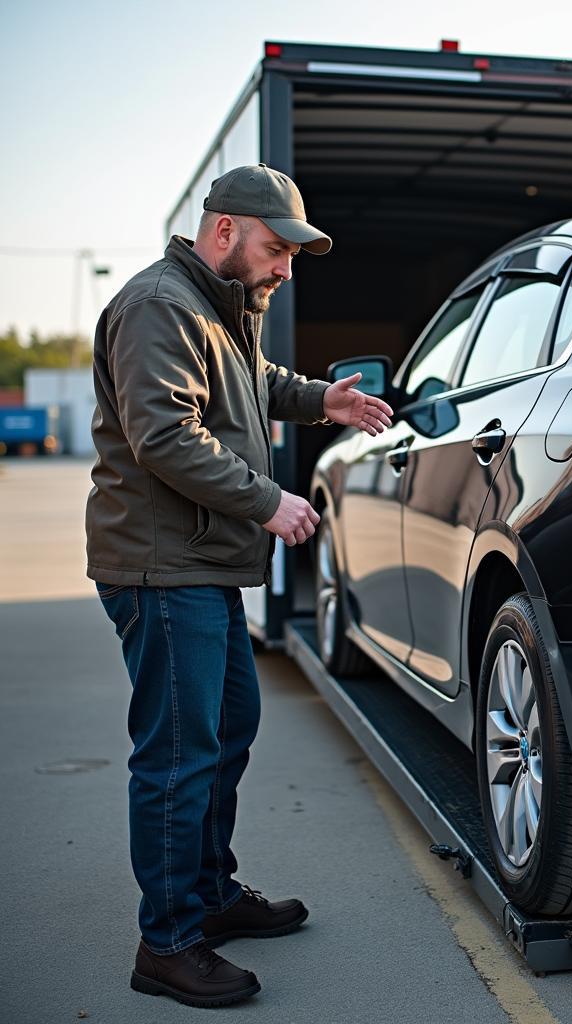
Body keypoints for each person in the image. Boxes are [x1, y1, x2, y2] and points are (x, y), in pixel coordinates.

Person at [85, 163, 393, 1008]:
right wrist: (270, 503)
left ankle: (210, 897)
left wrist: (317, 398)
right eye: (277, 248)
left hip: (199, 562)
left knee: (227, 731)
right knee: (181, 754)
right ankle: (169, 941)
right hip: (161, 565)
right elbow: (164, 435)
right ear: (224, 230)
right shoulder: (160, 306)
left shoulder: (218, 309)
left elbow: (248, 390)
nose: (286, 267)